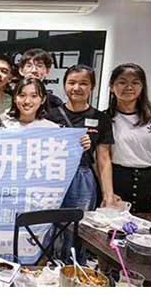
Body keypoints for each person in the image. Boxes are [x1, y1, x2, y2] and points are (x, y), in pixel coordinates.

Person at [46, 65, 115, 210]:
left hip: (82, 178)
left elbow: (103, 159)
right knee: (48, 221)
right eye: (71, 83)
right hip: (52, 175)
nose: (77, 88)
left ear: (92, 87)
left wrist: (108, 195)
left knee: (79, 221)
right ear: (64, 85)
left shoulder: (101, 118)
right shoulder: (50, 116)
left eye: (83, 83)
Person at [107, 63, 151, 214]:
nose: (129, 87)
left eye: (135, 83)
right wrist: (108, 193)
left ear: (142, 87)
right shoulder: (106, 118)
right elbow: (104, 158)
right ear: (111, 86)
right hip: (118, 181)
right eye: (122, 82)